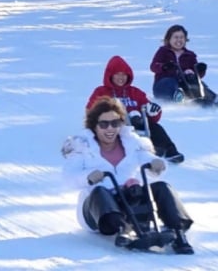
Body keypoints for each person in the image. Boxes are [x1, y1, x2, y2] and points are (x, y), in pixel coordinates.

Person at [62, 96, 194, 254]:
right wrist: (88, 177)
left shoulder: (131, 142)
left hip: (129, 198)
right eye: (104, 124)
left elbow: (146, 157)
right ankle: (123, 229)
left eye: (115, 123)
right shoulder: (82, 147)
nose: (110, 129)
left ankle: (177, 231)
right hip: (98, 209)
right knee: (100, 192)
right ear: (94, 126)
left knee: (161, 187)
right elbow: (68, 177)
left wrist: (156, 163)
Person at [87, 55, 184, 163]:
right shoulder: (101, 92)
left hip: (136, 123)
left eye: (124, 74)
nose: (121, 77)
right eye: (117, 74)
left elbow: (150, 111)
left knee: (155, 127)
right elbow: (90, 111)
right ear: (110, 75)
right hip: (113, 126)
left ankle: (169, 151)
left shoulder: (135, 92)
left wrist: (153, 112)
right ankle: (142, 151)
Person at [150, 24, 217, 106]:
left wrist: (200, 70)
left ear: (185, 39)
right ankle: (177, 98)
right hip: (164, 86)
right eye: (176, 37)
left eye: (181, 37)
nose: (179, 40)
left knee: (195, 83)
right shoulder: (163, 51)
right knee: (170, 81)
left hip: (184, 85)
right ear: (169, 39)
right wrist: (164, 66)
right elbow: (153, 66)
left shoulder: (190, 55)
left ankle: (211, 98)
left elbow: (197, 75)